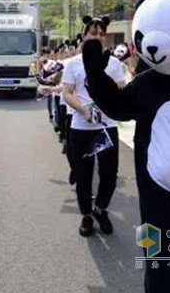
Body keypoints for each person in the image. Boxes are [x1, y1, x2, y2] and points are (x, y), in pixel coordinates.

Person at [63, 16, 126, 236]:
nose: (98, 37)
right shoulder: (73, 64)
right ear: (83, 36)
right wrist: (83, 110)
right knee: (84, 174)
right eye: (93, 33)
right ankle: (86, 216)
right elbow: (68, 92)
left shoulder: (114, 63)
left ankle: (101, 209)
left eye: (101, 34)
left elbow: (121, 89)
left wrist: (108, 98)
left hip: (106, 127)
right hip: (81, 128)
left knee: (109, 174)